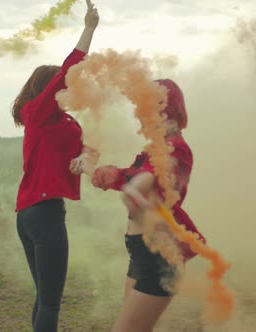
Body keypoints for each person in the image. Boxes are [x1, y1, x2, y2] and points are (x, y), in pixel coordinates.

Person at [90, 79, 205, 332]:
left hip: (160, 256)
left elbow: (149, 177)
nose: (139, 117)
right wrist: (103, 174)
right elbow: (135, 176)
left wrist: (135, 188)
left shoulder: (177, 149)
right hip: (142, 252)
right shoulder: (157, 147)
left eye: (146, 110)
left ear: (167, 111)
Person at [11, 1, 99, 331]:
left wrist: (86, 159)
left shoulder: (63, 122)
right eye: (62, 88)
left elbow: (90, 149)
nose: (69, 90)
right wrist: (89, 30)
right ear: (47, 90)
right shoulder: (40, 112)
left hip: (31, 214)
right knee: (50, 302)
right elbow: (67, 72)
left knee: (44, 297)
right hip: (44, 214)